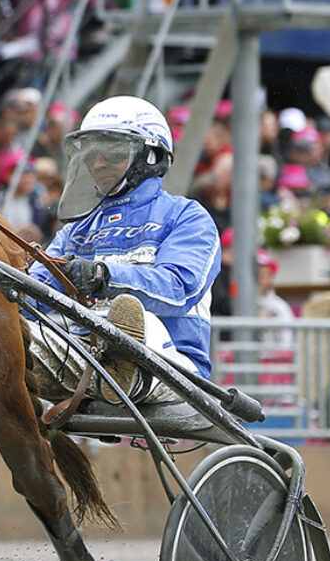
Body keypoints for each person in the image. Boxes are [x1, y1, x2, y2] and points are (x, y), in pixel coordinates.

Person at [27, 95, 221, 404]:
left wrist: (103, 276)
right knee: (7, 333)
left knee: (133, 317)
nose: (98, 163)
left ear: (151, 156)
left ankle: (123, 368)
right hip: (80, 355)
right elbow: (31, 297)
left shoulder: (186, 216)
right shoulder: (75, 230)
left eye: (113, 152)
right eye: (91, 154)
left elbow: (180, 289)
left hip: (174, 366)